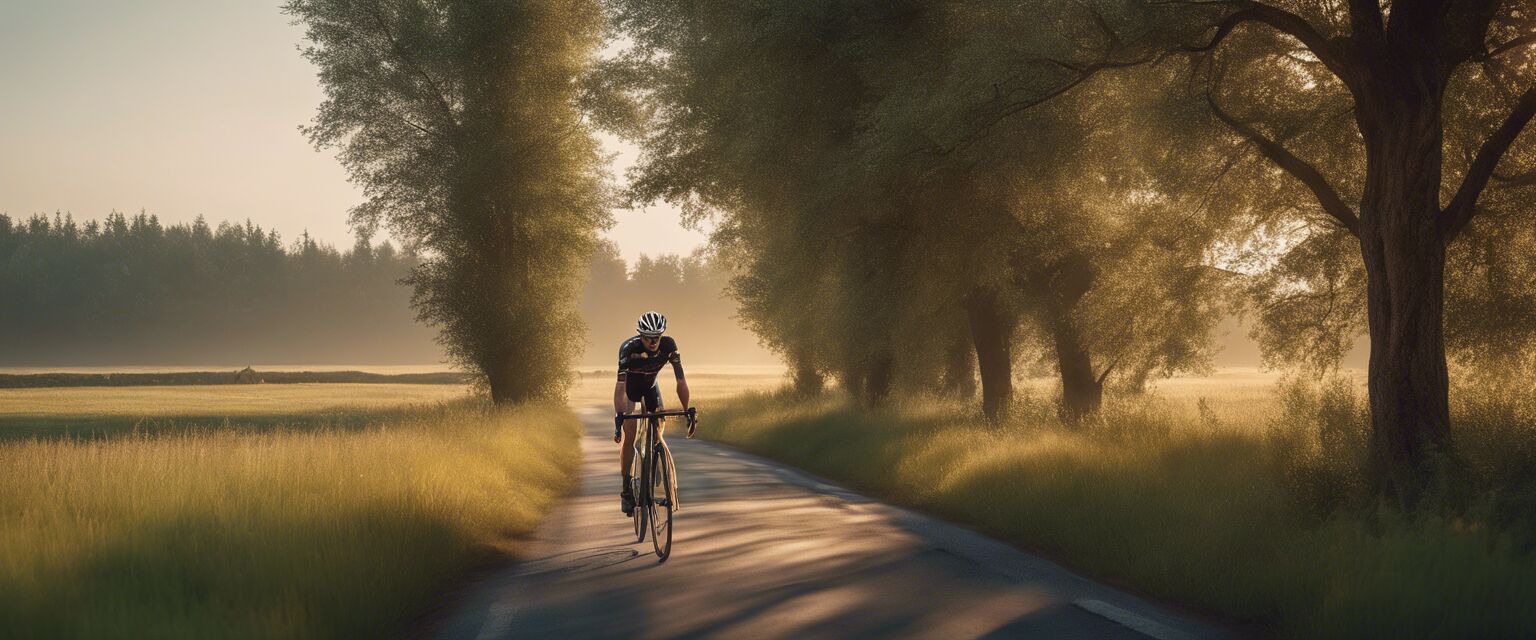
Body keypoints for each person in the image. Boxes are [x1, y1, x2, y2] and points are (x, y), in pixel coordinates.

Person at [614, 311, 690, 516]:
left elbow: (680, 381)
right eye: (648, 338)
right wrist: (619, 417)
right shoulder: (628, 349)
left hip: (650, 387)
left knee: (659, 422)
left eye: (657, 336)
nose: (654, 341)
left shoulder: (669, 345)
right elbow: (620, 387)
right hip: (631, 389)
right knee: (630, 434)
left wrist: (686, 410)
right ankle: (626, 489)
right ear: (640, 336)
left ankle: (655, 454)